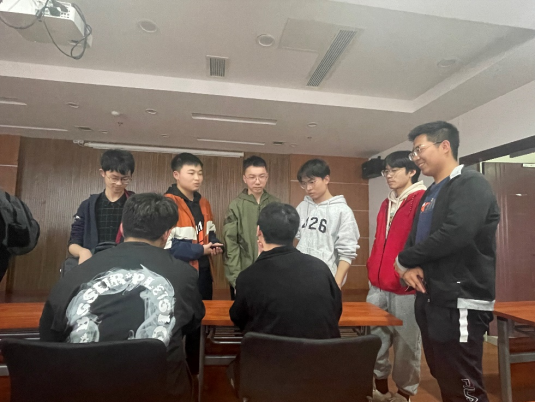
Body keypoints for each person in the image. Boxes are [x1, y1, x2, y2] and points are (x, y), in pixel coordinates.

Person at [40, 193, 205, 402]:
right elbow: (191, 323)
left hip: (83, 391)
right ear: (167, 234)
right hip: (158, 392)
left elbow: (49, 337)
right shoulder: (185, 274)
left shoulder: (75, 274)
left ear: (121, 228)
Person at [395, 121, 500, 402]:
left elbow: (455, 233)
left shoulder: (470, 183)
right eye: (413, 152)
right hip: (432, 298)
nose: (415, 157)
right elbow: (416, 238)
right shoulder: (430, 192)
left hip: (460, 299)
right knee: (444, 374)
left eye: (419, 149)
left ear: (444, 146)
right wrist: (407, 266)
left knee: (464, 381)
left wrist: (403, 259)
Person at [228, 202, 342, 392]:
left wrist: (260, 259)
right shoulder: (321, 268)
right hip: (321, 375)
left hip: (267, 377)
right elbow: (335, 311)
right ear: (295, 232)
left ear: (258, 232)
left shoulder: (248, 276)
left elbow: (239, 319)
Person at [367, 151, 426, 402]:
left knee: (406, 344)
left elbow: (425, 244)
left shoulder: (423, 200)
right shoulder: (386, 202)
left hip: (406, 288)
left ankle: (404, 393)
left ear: (412, 171)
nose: (388, 176)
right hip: (378, 285)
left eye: (394, 170)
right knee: (375, 340)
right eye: (386, 171)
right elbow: (379, 241)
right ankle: (380, 388)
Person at [164, 153, 223, 375]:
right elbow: (167, 246)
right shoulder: (168, 203)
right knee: (176, 324)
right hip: (179, 275)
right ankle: (175, 372)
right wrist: (200, 250)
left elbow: (209, 232)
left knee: (199, 323)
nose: (197, 178)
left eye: (200, 173)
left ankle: (195, 372)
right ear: (176, 174)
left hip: (204, 272)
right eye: (191, 173)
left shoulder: (203, 202)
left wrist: (215, 244)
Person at [295, 159, 360, 288]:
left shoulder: (342, 211)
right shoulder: (302, 207)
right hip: (299, 276)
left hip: (326, 278)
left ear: (326, 179)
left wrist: (337, 283)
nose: (308, 188)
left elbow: (347, 251)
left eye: (312, 182)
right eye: (304, 184)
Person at [223, 156, 279, 299]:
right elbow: (231, 245)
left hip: (271, 274)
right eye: (252, 177)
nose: (257, 181)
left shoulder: (276, 204)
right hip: (244, 273)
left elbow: (281, 241)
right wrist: (236, 280)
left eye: (262, 176)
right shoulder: (236, 205)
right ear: (245, 178)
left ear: (267, 177)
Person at [68, 149, 135, 265]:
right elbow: (73, 242)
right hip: (94, 263)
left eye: (125, 179)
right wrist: (83, 252)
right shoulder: (88, 205)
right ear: (103, 173)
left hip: (126, 265)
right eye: (114, 178)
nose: (119, 183)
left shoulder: (137, 205)